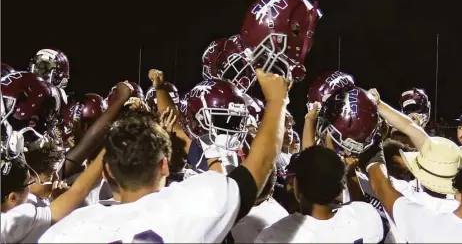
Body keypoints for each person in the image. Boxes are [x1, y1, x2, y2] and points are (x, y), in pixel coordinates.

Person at [39, 70, 290, 243]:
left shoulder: (64, 232)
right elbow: (260, 165)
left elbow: (79, 190)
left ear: (106, 171)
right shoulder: (191, 208)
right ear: (164, 166)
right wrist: (277, 100)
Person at [255, 145, 384, 243]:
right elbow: (360, 207)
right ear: (339, 188)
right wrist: (350, 175)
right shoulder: (366, 215)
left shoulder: (272, 237)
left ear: (297, 185)